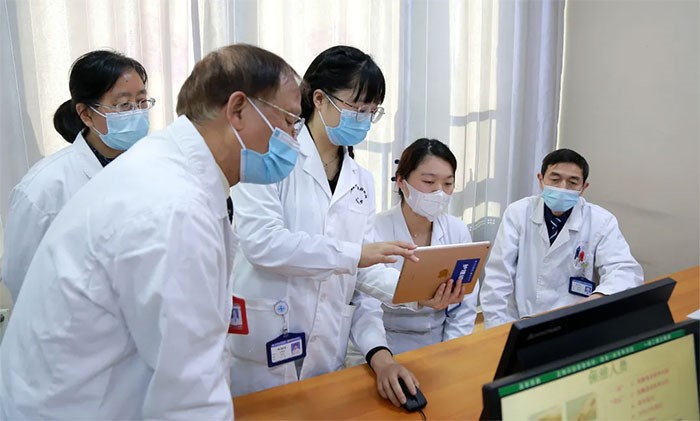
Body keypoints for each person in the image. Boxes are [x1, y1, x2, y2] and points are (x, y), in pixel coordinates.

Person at [0, 44, 300, 419]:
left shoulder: (168, 167)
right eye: (290, 120)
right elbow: (189, 397)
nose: (294, 137)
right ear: (238, 110)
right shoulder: (174, 205)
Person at [228, 46, 462, 407]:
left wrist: (416, 293)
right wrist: (355, 255)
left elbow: (360, 278)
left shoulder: (361, 180)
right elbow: (264, 244)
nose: (364, 120)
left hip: (326, 351)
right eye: (357, 108)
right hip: (264, 345)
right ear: (319, 99)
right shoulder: (268, 157)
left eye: (372, 111)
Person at [2, 50, 153, 302]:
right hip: (72, 321)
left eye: (142, 101)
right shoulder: (44, 188)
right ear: (86, 114)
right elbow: (22, 278)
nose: (136, 112)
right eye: (124, 105)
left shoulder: (153, 167)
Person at [479, 148, 644, 328]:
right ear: (541, 180)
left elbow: (625, 271)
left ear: (584, 188)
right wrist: (498, 328)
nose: (562, 188)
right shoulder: (518, 213)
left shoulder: (601, 221)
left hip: (576, 322)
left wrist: (598, 297)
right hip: (522, 320)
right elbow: (498, 276)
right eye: (555, 179)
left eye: (572, 182)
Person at [352, 138, 478, 357]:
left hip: (439, 343)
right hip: (384, 343)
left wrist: (450, 350)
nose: (439, 192)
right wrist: (381, 357)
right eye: (429, 182)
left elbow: (464, 306)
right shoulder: (375, 229)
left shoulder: (456, 230)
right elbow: (366, 303)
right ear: (402, 182)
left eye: (448, 184)